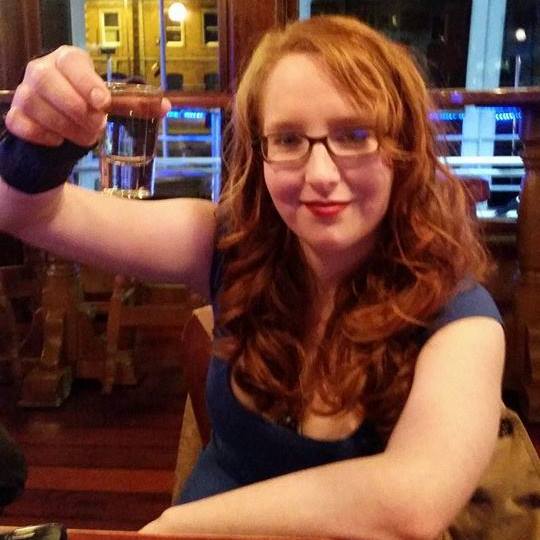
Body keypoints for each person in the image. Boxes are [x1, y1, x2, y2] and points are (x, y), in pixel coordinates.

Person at [0, 15, 505, 540]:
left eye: (355, 135)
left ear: (405, 149)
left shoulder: (461, 318)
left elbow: (411, 504)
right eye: (288, 139)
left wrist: (178, 525)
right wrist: (42, 140)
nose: (321, 175)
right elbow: (26, 213)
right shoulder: (229, 246)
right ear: (259, 152)